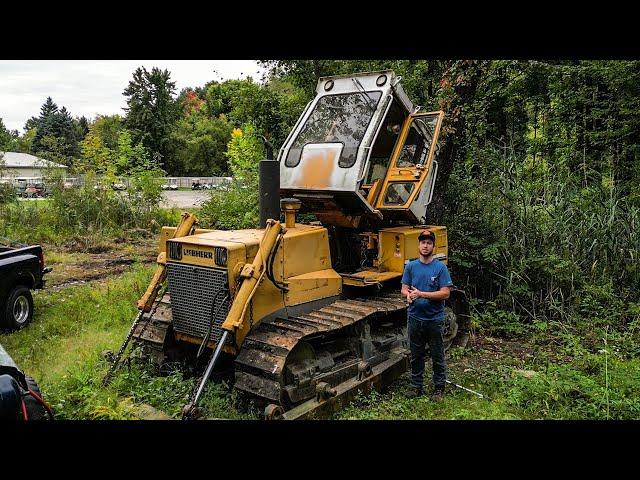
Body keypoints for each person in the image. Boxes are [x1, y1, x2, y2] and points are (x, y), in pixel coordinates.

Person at [400, 229, 453, 402]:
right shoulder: (411, 266)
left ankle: (439, 388)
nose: (425, 245)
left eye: (429, 243)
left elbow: (445, 293)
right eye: (423, 242)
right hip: (415, 317)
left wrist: (422, 294)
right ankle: (416, 386)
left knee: (437, 354)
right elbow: (404, 288)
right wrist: (408, 295)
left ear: (433, 246)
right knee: (416, 354)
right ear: (418, 245)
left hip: (434, 319)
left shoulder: (440, 267)